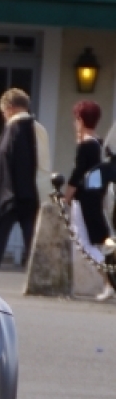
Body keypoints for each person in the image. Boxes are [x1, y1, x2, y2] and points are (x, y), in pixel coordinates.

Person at [0, 89, 40, 286]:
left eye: (3, 112)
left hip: (11, 194)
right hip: (25, 193)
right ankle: (39, 276)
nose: (3, 117)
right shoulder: (29, 127)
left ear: (10, 109)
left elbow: (11, 163)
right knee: (30, 238)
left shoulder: (15, 129)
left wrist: (8, 193)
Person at [64, 100, 114, 300]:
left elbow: (78, 175)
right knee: (97, 241)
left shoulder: (85, 145)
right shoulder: (99, 144)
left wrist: (67, 196)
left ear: (80, 119)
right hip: (97, 198)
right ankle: (109, 283)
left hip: (84, 200)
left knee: (86, 243)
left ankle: (111, 280)